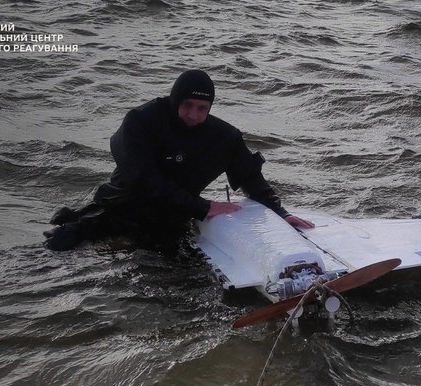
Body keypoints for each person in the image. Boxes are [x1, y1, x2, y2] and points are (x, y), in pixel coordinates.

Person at [44, 69, 314, 251]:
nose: (194, 115)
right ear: (175, 101)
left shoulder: (224, 136)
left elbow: (250, 177)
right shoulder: (141, 121)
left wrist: (281, 214)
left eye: (202, 109)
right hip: (120, 209)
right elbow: (143, 180)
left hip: (173, 219)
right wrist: (202, 206)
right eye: (187, 105)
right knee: (59, 245)